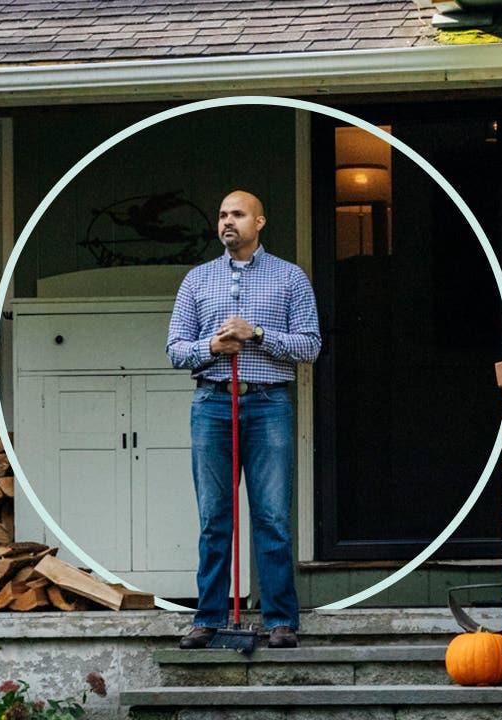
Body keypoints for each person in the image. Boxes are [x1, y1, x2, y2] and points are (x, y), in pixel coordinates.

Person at [166, 190, 321, 649]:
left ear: (260, 221)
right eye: (221, 215)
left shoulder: (290, 279)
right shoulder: (197, 281)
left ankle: (280, 620)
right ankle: (208, 617)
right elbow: (175, 349)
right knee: (215, 517)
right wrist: (212, 348)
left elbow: (310, 346)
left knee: (271, 516)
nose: (227, 221)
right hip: (213, 405)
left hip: (268, 404)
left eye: (237, 214)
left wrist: (256, 334)